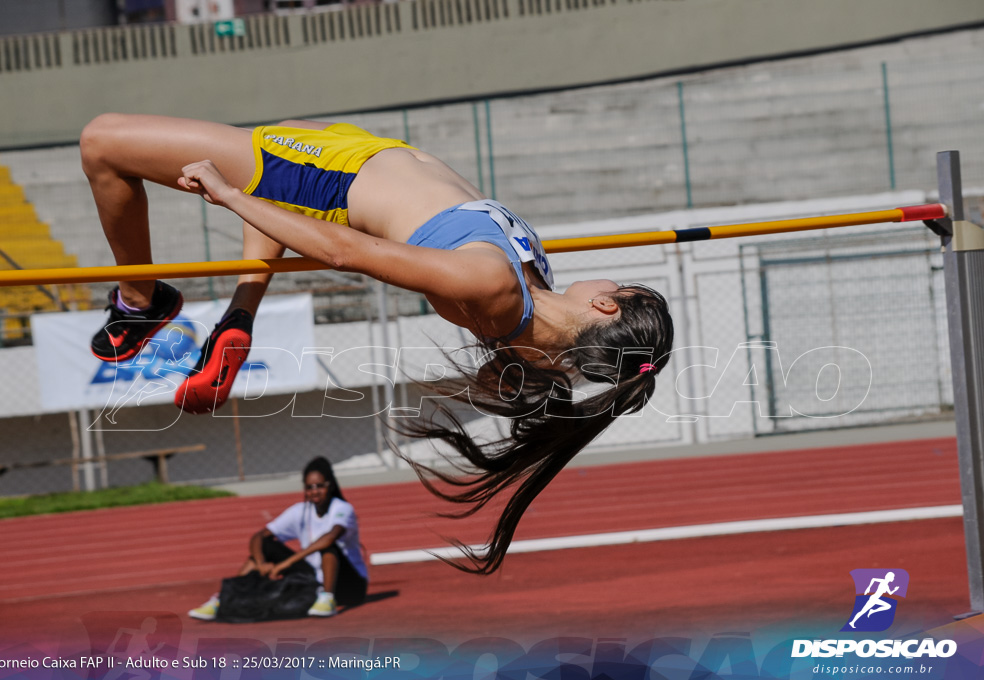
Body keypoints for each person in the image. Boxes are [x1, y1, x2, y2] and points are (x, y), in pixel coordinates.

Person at [82, 113, 674, 574]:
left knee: (103, 142)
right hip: (351, 156)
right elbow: (535, 371)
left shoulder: (495, 288)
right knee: (287, 127)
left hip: (335, 177)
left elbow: (347, 253)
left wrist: (228, 195)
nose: (608, 278)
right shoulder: (531, 323)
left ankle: (140, 302)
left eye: (617, 286)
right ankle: (240, 314)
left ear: (605, 305)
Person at [189, 456, 367, 620]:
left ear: (331, 485)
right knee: (264, 547)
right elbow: (258, 537)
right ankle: (223, 598)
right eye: (309, 487)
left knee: (328, 547)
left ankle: (328, 599)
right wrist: (260, 563)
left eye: (320, 486)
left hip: (350, 585)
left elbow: (329, 538)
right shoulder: (300, 510)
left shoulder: (343, 509)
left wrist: (286, 563)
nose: (315, 492)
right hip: (314, 579)